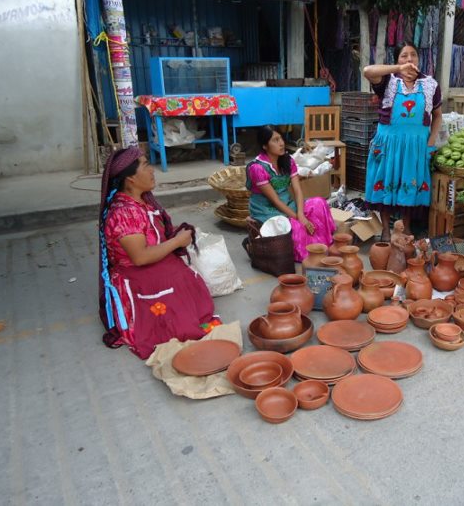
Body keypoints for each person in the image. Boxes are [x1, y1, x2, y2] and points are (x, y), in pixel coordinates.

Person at [98, 148, 219, 359]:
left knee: (183, 275)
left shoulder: (142, 202)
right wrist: (176, 242)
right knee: (173, 290)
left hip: (151, 263)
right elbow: (140, 257)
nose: (152, 170)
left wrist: (177, 238)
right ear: (130, 179)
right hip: (134, 273)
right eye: (145, 165)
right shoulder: (124, 213)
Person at [363, 43, 443, 242]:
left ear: (419, 59)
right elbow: (367, 70)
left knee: (409, 184)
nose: (409, 59)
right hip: (389, 144)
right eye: (404, 56)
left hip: (416, 147)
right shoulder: (388, 80)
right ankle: (386, 231)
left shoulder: (430, 84)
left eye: (413, 55)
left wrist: (430, 143)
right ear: (397, 60)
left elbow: (438, 116)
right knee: (386, 182)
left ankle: (406, 229)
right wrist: (397, 69)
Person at [246, 125, 336, 262]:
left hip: (287, 204)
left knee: (319, 203)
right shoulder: (257, 168)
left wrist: (300, 214)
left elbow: (298, 191)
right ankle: (309, 253)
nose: (281, 143)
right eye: (275, 140)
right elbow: (275, 200)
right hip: (267, 209)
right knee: (297, 226)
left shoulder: (288, 160)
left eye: (280, 138)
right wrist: (300, 219)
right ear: (265, 146)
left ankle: (322, 245)